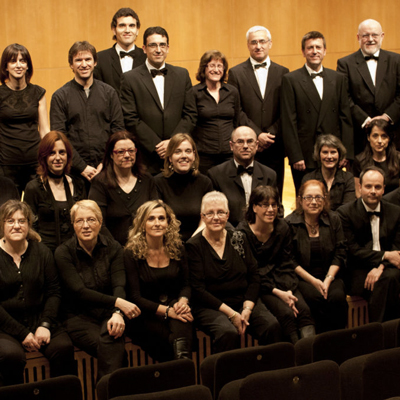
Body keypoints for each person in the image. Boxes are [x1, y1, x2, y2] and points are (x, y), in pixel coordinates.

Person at [54, 200, 140, 382]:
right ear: (73, 225)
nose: (86, 225)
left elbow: (119, 284)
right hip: (78, 316)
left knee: (113, 337)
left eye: (91, 220)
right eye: (80, 221)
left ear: (100, 223)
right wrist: (118, 304)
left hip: (108, 314)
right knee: (112, 346)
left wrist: (117, 313)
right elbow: (79, 292)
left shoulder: (114, 247)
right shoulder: (63, 252)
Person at [186, 191, 281, 353]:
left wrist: (247, 309)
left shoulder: (239, 238)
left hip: (242, 301)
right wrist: (232, 314)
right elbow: (198, 290)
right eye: (210, 213)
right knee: (227, 333)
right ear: (202, 216)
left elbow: (254, 277)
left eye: (221, 212)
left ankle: (266, 376)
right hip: (211, 306)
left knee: (271, 326)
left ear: (228, 215)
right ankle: (227, 378)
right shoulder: (193, 246)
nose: (216, 217)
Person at [0, 200, 75, 386]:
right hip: (6, 326)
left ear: (28, 224)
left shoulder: (42, 252)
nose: (16, 225)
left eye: (22, 221)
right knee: (11, 356)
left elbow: (54, 292)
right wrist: (23, 333)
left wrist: (45, 324)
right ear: (2, 225)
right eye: (10, 221)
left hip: (40, 320)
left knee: (63, 348)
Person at [237, 186, 315, 343]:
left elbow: (286, 263)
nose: (271, 209)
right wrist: (279, 293)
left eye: (274, 205)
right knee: (286, 314)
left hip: (283, 281)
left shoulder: (282, 227)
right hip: (260, 286)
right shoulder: (242, 233)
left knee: (304, 310)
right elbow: (252, 273)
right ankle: (294, 361)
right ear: (254, 207)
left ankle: (311, 359)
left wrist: (288, 292)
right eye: (265, 205)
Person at [281, 31, 353, 193]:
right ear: (303, 52)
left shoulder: (338, 78)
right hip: (305, 155)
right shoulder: (290, 79)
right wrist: (295, 155)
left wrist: (345, 153)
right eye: (310, 48)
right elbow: (288, 120)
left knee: (333, 198)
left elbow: (345, 118)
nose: (314, 51)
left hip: (332, 153)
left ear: (325, 50)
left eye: (318, 47)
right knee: (307, 199)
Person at [120, 26, 196, 174]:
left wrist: (173, 143)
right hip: (147, 156)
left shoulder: (182, 74)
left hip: (179, 155)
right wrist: (157, 146)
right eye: (153, 45)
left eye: (162, 45)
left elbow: (190, 114)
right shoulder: (130, 78)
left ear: (168, 48)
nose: (158, 49)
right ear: (144, 48)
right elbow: (130, 118)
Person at [124, 200, 193, 361]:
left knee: (183, 331)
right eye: (151, 219)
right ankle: (173, 382)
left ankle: (186, 381)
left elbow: (186, 284)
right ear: (142, 224)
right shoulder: (130, 253)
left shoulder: (178, 248)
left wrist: (183, 302)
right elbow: (134, 297)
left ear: (168, 223)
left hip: (175, 306)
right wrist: (168, 312)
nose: (157, 223)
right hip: (145, 313)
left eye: (161, 218)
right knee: (167, 342)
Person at [50, 41, 124, 184]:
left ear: (95, 62)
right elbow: (60, 136)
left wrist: (106, 162)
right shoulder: (60, 96)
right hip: (74, 171)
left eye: (88, 59)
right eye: (78, 60)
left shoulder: (109, 93)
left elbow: (118, 131)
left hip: (107, 169)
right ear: (71, 65)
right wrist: (82, 167)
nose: (84, 64)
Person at [228, 26, 289, 197]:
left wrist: (269, 134)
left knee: (275, 193)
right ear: (248, 45)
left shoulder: (283, 72)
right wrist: (256, 135)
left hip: (274, 144)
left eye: (262, 41)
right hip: (246, 144)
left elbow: (286, 109)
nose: (258, 46)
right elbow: (236, 109)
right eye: (253, 42)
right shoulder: (236, 73)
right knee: (248, 193)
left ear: (270, 44)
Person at [337, 167, 400, 322]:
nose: (373, 191)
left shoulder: (396, 211)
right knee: (389, 281)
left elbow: (396, 248)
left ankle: (378, 333)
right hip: (359, 269)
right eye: (368, 186)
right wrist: (385, 256)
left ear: (384, 189)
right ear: (360, 187)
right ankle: (386, 333)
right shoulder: (345, 213)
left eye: (378, 187)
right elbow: (352, 251)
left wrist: (381, 266)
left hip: (387, 268)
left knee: (389, 278)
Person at [285, 180, 348, 332]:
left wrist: (327, 280)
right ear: (300, 200)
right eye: (309, 197)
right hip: (303, 278)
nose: (314, 201)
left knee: (337, 297)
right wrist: (314, 281)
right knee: (315, 298)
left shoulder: (334, 219)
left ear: (325, 199)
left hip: (330, 275)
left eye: (318, 197)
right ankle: (319, 344)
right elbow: (290, 261)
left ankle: (339, 340)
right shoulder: (289, 223)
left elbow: (341, 252)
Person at [337, 19, 400, 153]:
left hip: (393, 135)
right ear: (358, 37)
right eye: (365, 35)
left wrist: (386, 117)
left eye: (374, 35)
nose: (370, 39)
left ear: (382, 36)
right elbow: (343, 97)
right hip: (360, 137)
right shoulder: (345, 63)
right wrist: (366, 121)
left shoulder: (397, 60)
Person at [89, 131, 157, 245]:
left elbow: (155, 214)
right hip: (112, 251)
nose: (127, 155)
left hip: (146, 247)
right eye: (120, 152)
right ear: (111, 154)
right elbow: (98, 223)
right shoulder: (100, 183)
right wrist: (116, 250)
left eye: (131, 151)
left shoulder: (147, 179)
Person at [0, 44, 50, 194]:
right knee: (9, 212)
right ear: (6, 67)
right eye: (13, 61)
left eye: (22, 61)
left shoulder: (38, 92)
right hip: (6, 164)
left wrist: (48, 159)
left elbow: (44, 130)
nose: (18, 65)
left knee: (36, 212)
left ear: (28, 66)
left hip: (34, 162)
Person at [24, 131, 86, 252]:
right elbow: (30, 228)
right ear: (44, 157)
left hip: (75, 253)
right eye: (52, 153)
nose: (57, 158)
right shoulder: (33, 188)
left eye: (61, 152)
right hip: (44, 254)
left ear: (68, 155)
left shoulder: (78, 184)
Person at [208, 126, 276, 227]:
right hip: (228, 234)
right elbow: (214, 214)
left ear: (257, 145)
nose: (245, 146)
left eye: (250, 141)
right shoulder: (216, 175)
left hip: (261, 232)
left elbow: (276, 209)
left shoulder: (270, 175)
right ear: (231, 146)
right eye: (240, 141)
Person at [190, 50, 242, 173]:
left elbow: (237, 121)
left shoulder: (232, 92)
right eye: (212, 65)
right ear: (204, 68)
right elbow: (191, 122)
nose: (216, 69)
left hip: (229, 154)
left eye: (220, 66)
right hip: (204, 155)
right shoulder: (194, 92)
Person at [154, 134, 212, 241]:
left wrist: (193, 242)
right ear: (170, 157)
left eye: (188, 151)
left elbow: (208, 217)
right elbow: (159, 219)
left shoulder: (205, 182)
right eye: (177, 152)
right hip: (168, 242)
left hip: (199, 242)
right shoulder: (157, 182)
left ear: (194, 155)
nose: (183, 156)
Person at [94, 7, 146, 95]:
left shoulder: (147, 57)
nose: (127, 30)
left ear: (137, 30)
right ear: (114, 30)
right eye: (122, 25)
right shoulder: (100, 59)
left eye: (131, 26)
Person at [302, 134, 355, 211]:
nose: (329, 157)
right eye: (325, 152)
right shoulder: (309, 178)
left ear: (339, 155)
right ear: (319, 155)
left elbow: (347, 209)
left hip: (341, 221)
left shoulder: (348, 178)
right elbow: (306, 208)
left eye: (333, 152)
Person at [352, 119, 400, 196]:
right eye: (375, 136)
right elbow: (359, 193)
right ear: (368, 137)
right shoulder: (359, 160)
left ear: (389, 139)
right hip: (370, 205)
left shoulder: (398, 159)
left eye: (384, 136)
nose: (379, 141)